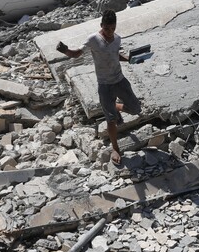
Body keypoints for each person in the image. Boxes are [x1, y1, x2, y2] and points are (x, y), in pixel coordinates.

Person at [56, 9, 142, 166]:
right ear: (101, 25)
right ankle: (115, 148)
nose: (110, 32)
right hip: (105, 85)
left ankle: (115, 107)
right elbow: (77, 54)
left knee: (136, 109)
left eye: (113, 28)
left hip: (120, 80)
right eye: (107, 28)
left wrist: (130, 59)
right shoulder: (93, 39)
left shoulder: (117, 39)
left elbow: (116, 55)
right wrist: (66, 50)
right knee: (111, 121)